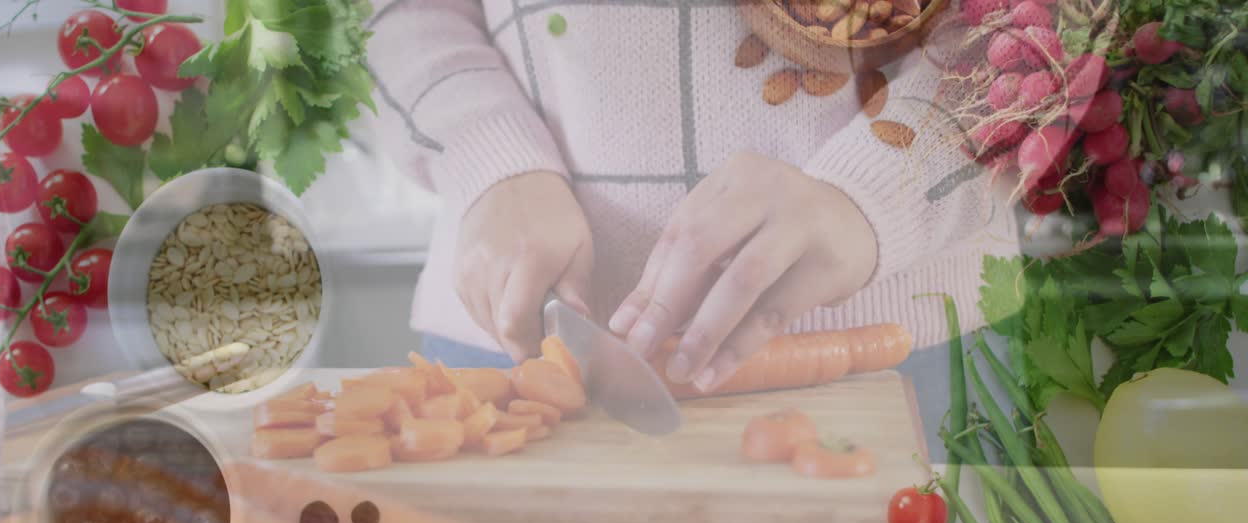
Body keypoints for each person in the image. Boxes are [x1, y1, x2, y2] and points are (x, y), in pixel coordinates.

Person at [369, 0, 1021, 461]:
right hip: (516, 341)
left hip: (914, 337)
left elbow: (1048, 24)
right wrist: (487, 156)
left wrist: (873, 190)